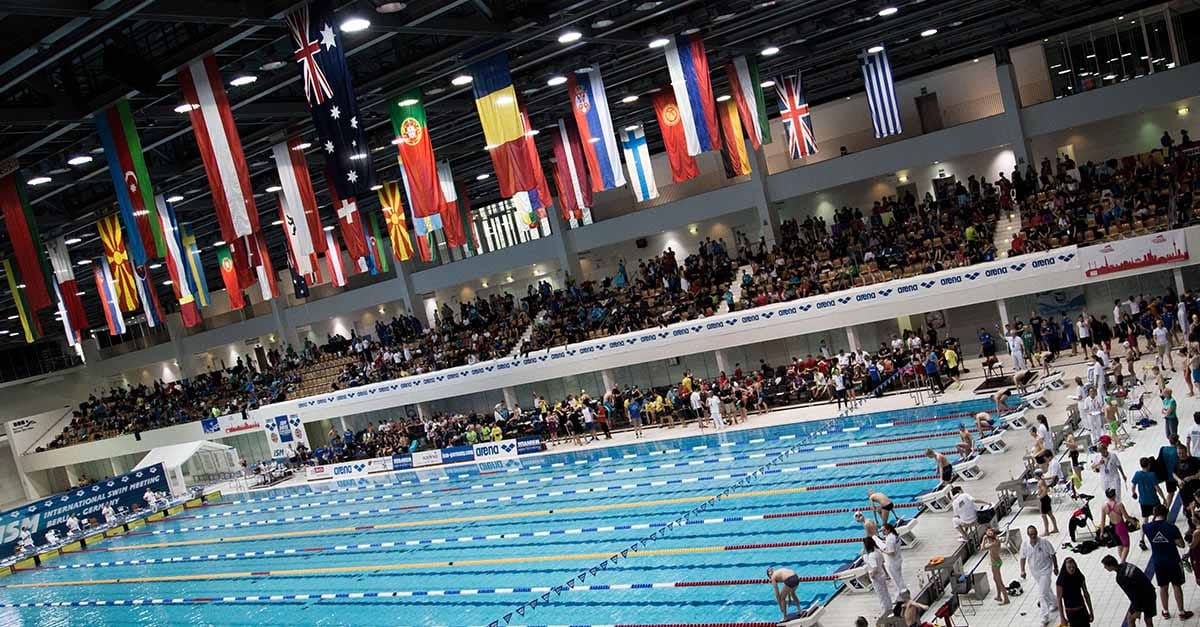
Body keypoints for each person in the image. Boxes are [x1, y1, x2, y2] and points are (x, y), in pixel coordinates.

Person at [1142, 504, 1194, 620]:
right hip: (1173, 561)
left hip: (1158, 562)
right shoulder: (1171, 528)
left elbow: (1145, 527)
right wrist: (1170, 540)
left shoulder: (1147, 527)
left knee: (1163, 586)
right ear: (1166, 514)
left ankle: (1165, 611)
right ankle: (1181, 612)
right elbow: (1181, 545)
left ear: (1154, 514)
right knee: (1176, 586)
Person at [1020, 525, 1060, 625]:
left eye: (1035, 534)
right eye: (1031, 534)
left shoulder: (1044, 542)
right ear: (1028, 535)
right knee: (1046, 589)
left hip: (1046, 570)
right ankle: (1055, 603)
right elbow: (1022, 557)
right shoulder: (1025, 544)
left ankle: (1044, 617)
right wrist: (1022, 570)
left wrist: (1055, 567)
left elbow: (1053, 554)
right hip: (1035, 571)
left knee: (1042, 594)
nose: (1033, 536)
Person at [1103, 554, 1158, 627]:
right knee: (1148, 619)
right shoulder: (1126, 565)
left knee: (1131, 619)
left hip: (1143, 598)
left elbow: (1132, 594)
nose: (1105, 568)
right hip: (1150, 592)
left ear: (1111, 566)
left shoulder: (1120, 578)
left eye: (1105, 566)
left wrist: (1137, 610)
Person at [1132, 456, 1166, 550]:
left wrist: (1133, 493)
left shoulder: (1137, 474)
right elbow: (1157, 488)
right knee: (1158, 517)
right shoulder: (1152, 475)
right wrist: (1164, 498)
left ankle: (1142, 539)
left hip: (1143, 501)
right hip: (1154, 500)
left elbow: (1133, 486)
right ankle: (1159, 534)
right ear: (1149, 465)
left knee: (1144, 519)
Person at [1098, 487, 1133, 564]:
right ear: (1115, 495)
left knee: (1119, 545)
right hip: (1120, 526)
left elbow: (1103, 521)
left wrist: (1101, 532)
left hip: (1112, 527)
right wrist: (1133, 521)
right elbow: (1126, 517)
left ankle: (1123, 561)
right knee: (1126, 546)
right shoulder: (1119, 505)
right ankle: (1122, 562)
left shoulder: (1104, 506)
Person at [1056, 556, 1094, 627]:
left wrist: (1091, 611)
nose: (1072, 569)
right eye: (1069, 567)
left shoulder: (1079, 576)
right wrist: (1062, 617)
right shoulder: (1061, 580)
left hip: (1082, 609)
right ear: (1065, 568)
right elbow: (1059, 599)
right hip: (1071, 612)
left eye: (1073, 567)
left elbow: (1086, 594)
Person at [981, 526, 1009, 605]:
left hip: (996, 563)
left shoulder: (994, 543)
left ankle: (1006, 599)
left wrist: (984, 539)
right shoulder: (994, 540)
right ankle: (999, 596)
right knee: (995, 579)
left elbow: (982, 548)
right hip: (995, 562)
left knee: (999, 581)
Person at [863, 536, 891, 616]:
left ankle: (885, 611)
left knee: (881, 595)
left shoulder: (871, 555)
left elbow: (874, 568)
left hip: (877, 578)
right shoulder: (878, 551)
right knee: (885, 592)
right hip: (882, 574)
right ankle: (889, 607)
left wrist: (872, 575)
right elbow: (882, 562)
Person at [879, 522, 906, 597]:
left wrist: (882, 551)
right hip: (898, 559)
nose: (882, 532)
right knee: (899, 577)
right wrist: (885, 542)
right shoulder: (894, 535)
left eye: (884, 530)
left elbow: (892, 552)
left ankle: (901, 594)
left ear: (888, 530)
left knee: (895, 579)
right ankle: (903, 591)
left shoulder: (890, 539)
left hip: (892, 562)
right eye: (881, 531)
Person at [1034, 469, 1059, 535]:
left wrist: (1040, 496)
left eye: (1035, 475)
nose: (1034, 476)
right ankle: (1055, 528)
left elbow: (1045, 490)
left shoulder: (1040, 482)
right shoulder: (1042, 480)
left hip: (1044, 499)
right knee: (1050, 514)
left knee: (1044, 516)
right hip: (1046, 499)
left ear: (1037, 476)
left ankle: (1046, 531)